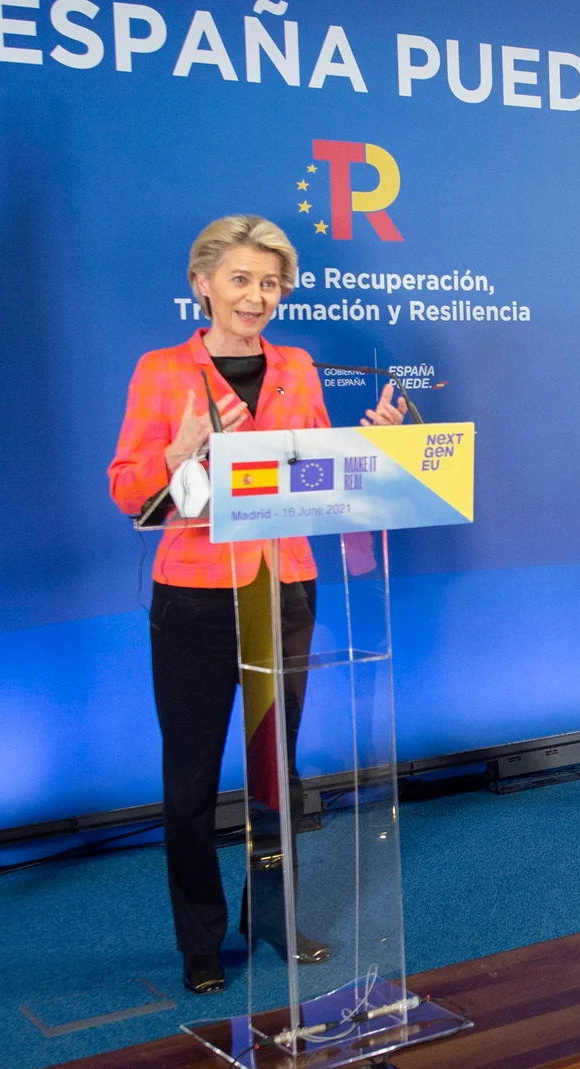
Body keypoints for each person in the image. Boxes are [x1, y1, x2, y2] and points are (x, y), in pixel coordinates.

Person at [108, 215, 406, 995]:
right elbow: (126, 490)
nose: (257, 295)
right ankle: (200, 938)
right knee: (191, 781)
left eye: (270, 282)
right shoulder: (162, 370)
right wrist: (178, 455)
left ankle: (270, 916)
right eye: (241, 278)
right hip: (195, 600)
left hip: (283, 586)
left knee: (277, 772)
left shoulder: (298, 365)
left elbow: (316, 474)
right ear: (201, 283)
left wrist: (373, 445)